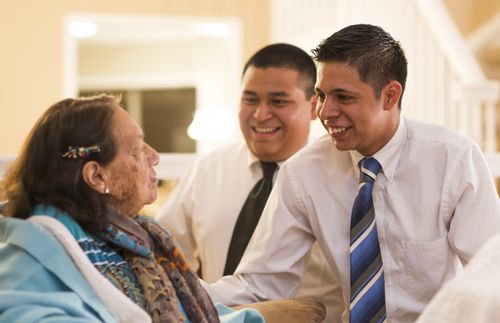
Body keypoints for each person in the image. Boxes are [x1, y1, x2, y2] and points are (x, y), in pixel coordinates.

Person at [201, 24, 500, 323]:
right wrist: (172, 289)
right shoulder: (303, 173)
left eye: (343, 97)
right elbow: (260, 284)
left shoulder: (453, 160)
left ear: (390, 96)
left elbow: (491, 276)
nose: (324, 111)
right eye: (321, 94)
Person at [0, 94, 264, 323]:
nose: (155, 156)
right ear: (97, 176)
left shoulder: (133, 241)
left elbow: (189, 312)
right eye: (138, 149)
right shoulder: (27, 265)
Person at [156, 43, 342, 322]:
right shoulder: (208, 169)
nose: (260, 114)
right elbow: (162, 249)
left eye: (279, 101)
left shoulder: (338, 177)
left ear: (314, 106)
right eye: (250, 99)